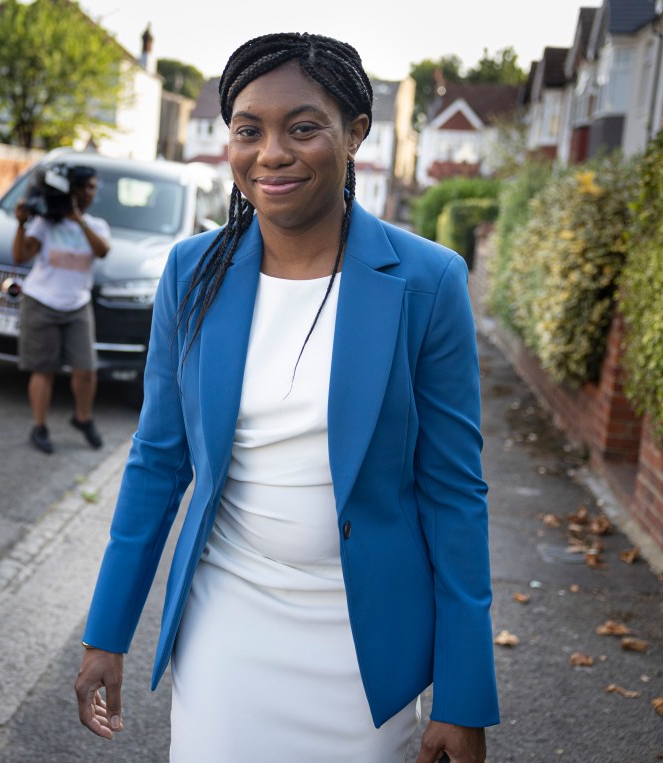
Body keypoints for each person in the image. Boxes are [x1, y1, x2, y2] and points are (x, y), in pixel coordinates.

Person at [74, 32, 499, 763]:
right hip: (227, 625)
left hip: (365, 644)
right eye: (249, 129)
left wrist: (465, 692)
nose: (271, 152)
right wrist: (105, 632)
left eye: (303, 127)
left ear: (355, 132)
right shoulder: (191, 271)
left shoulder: (428, 282)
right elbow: (157, 461)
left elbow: (456, 493)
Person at [12, 164, 111, 455]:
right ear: (74, 190)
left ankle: (82, 418)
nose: (92, 193)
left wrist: (78, 219)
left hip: (77, 305)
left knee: (86, 370)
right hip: (41, 301)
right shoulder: (45, 223)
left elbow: (102, 251)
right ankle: (39, 427)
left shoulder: (96, 226)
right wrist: (21, 223)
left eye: (94, 187)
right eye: (89, 187)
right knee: (43, 370)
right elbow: (20, 256)